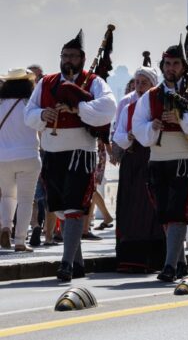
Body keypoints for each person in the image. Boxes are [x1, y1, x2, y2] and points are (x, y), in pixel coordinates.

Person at [23, 30, 117, 281]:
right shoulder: (46, 82)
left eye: (73, 56)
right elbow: (28, 114)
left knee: (75, 206)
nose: (68, 60)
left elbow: (109, 107)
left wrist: (79, 108)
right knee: (61, 208)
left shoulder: (93, 81)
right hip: (52, 153)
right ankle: (77, 263)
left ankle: (65, 264)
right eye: (65, 55)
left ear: (82, 58)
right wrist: (43, 115)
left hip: (80, 152)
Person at [133, 40, 188, 281]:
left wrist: (181, 119)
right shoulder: (150, 96)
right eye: (168, 64)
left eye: (176, 64)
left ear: (183, 66)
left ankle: (169, 266)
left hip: (183, 159)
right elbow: (139, 127)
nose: (171, 68)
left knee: (178, 212)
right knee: (164, 212)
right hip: (158, 160)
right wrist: (153, 126)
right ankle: (179, 263)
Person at [110, 60, 165, 272]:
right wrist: (130, 136)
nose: (140, 87)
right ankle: (132, 259)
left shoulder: (160, 107)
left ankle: (155, 259)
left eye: (144, 83)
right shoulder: (129, 108)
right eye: (137, 83)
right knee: (131, 210)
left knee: (153, 210)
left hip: (153, 161)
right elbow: (119, 136)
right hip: (133, 163)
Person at [0, 69, 40, 252]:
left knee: (8, 195)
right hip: (28, 156)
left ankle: (6, 227)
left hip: (3, 158)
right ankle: (20, 241)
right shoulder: (30, 105)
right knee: (25, 199)